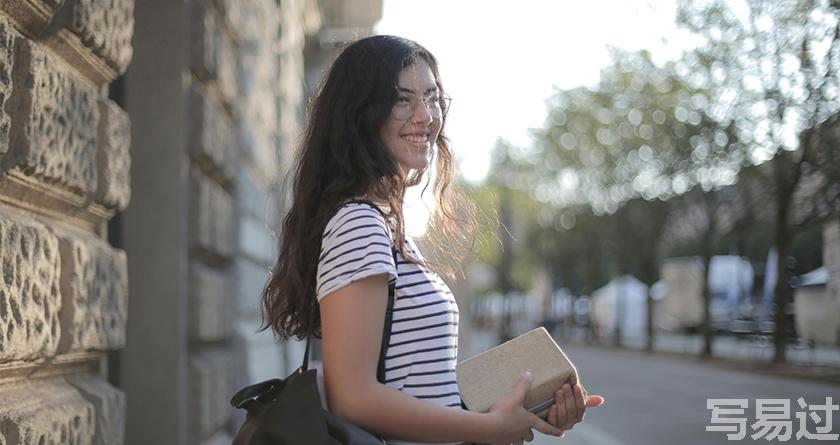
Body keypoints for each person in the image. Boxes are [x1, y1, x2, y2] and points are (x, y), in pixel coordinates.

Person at [260, 35, 604, 445]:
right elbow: (352, 398)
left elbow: (419, 390)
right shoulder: (360, 225)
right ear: (359, 114)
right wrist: (488, 428)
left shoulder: (390, 228)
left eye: (432, 97)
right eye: (402, 99)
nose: (425, 115)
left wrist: (525, 409)